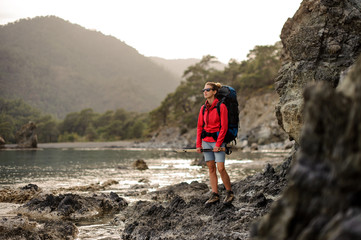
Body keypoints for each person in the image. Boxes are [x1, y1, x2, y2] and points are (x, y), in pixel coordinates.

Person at [196, 82, 234, 204]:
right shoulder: (203, 109)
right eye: (204, 90)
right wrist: (198, 144)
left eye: (208, 90)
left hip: (218, 142)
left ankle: (229, 192)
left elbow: (224, 127)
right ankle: (215, 194)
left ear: (214, 92)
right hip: (206, 142)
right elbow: (199, 128)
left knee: (221, 168)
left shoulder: (221, 107)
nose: (205, 92)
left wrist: (218, 144)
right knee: (211, 168)